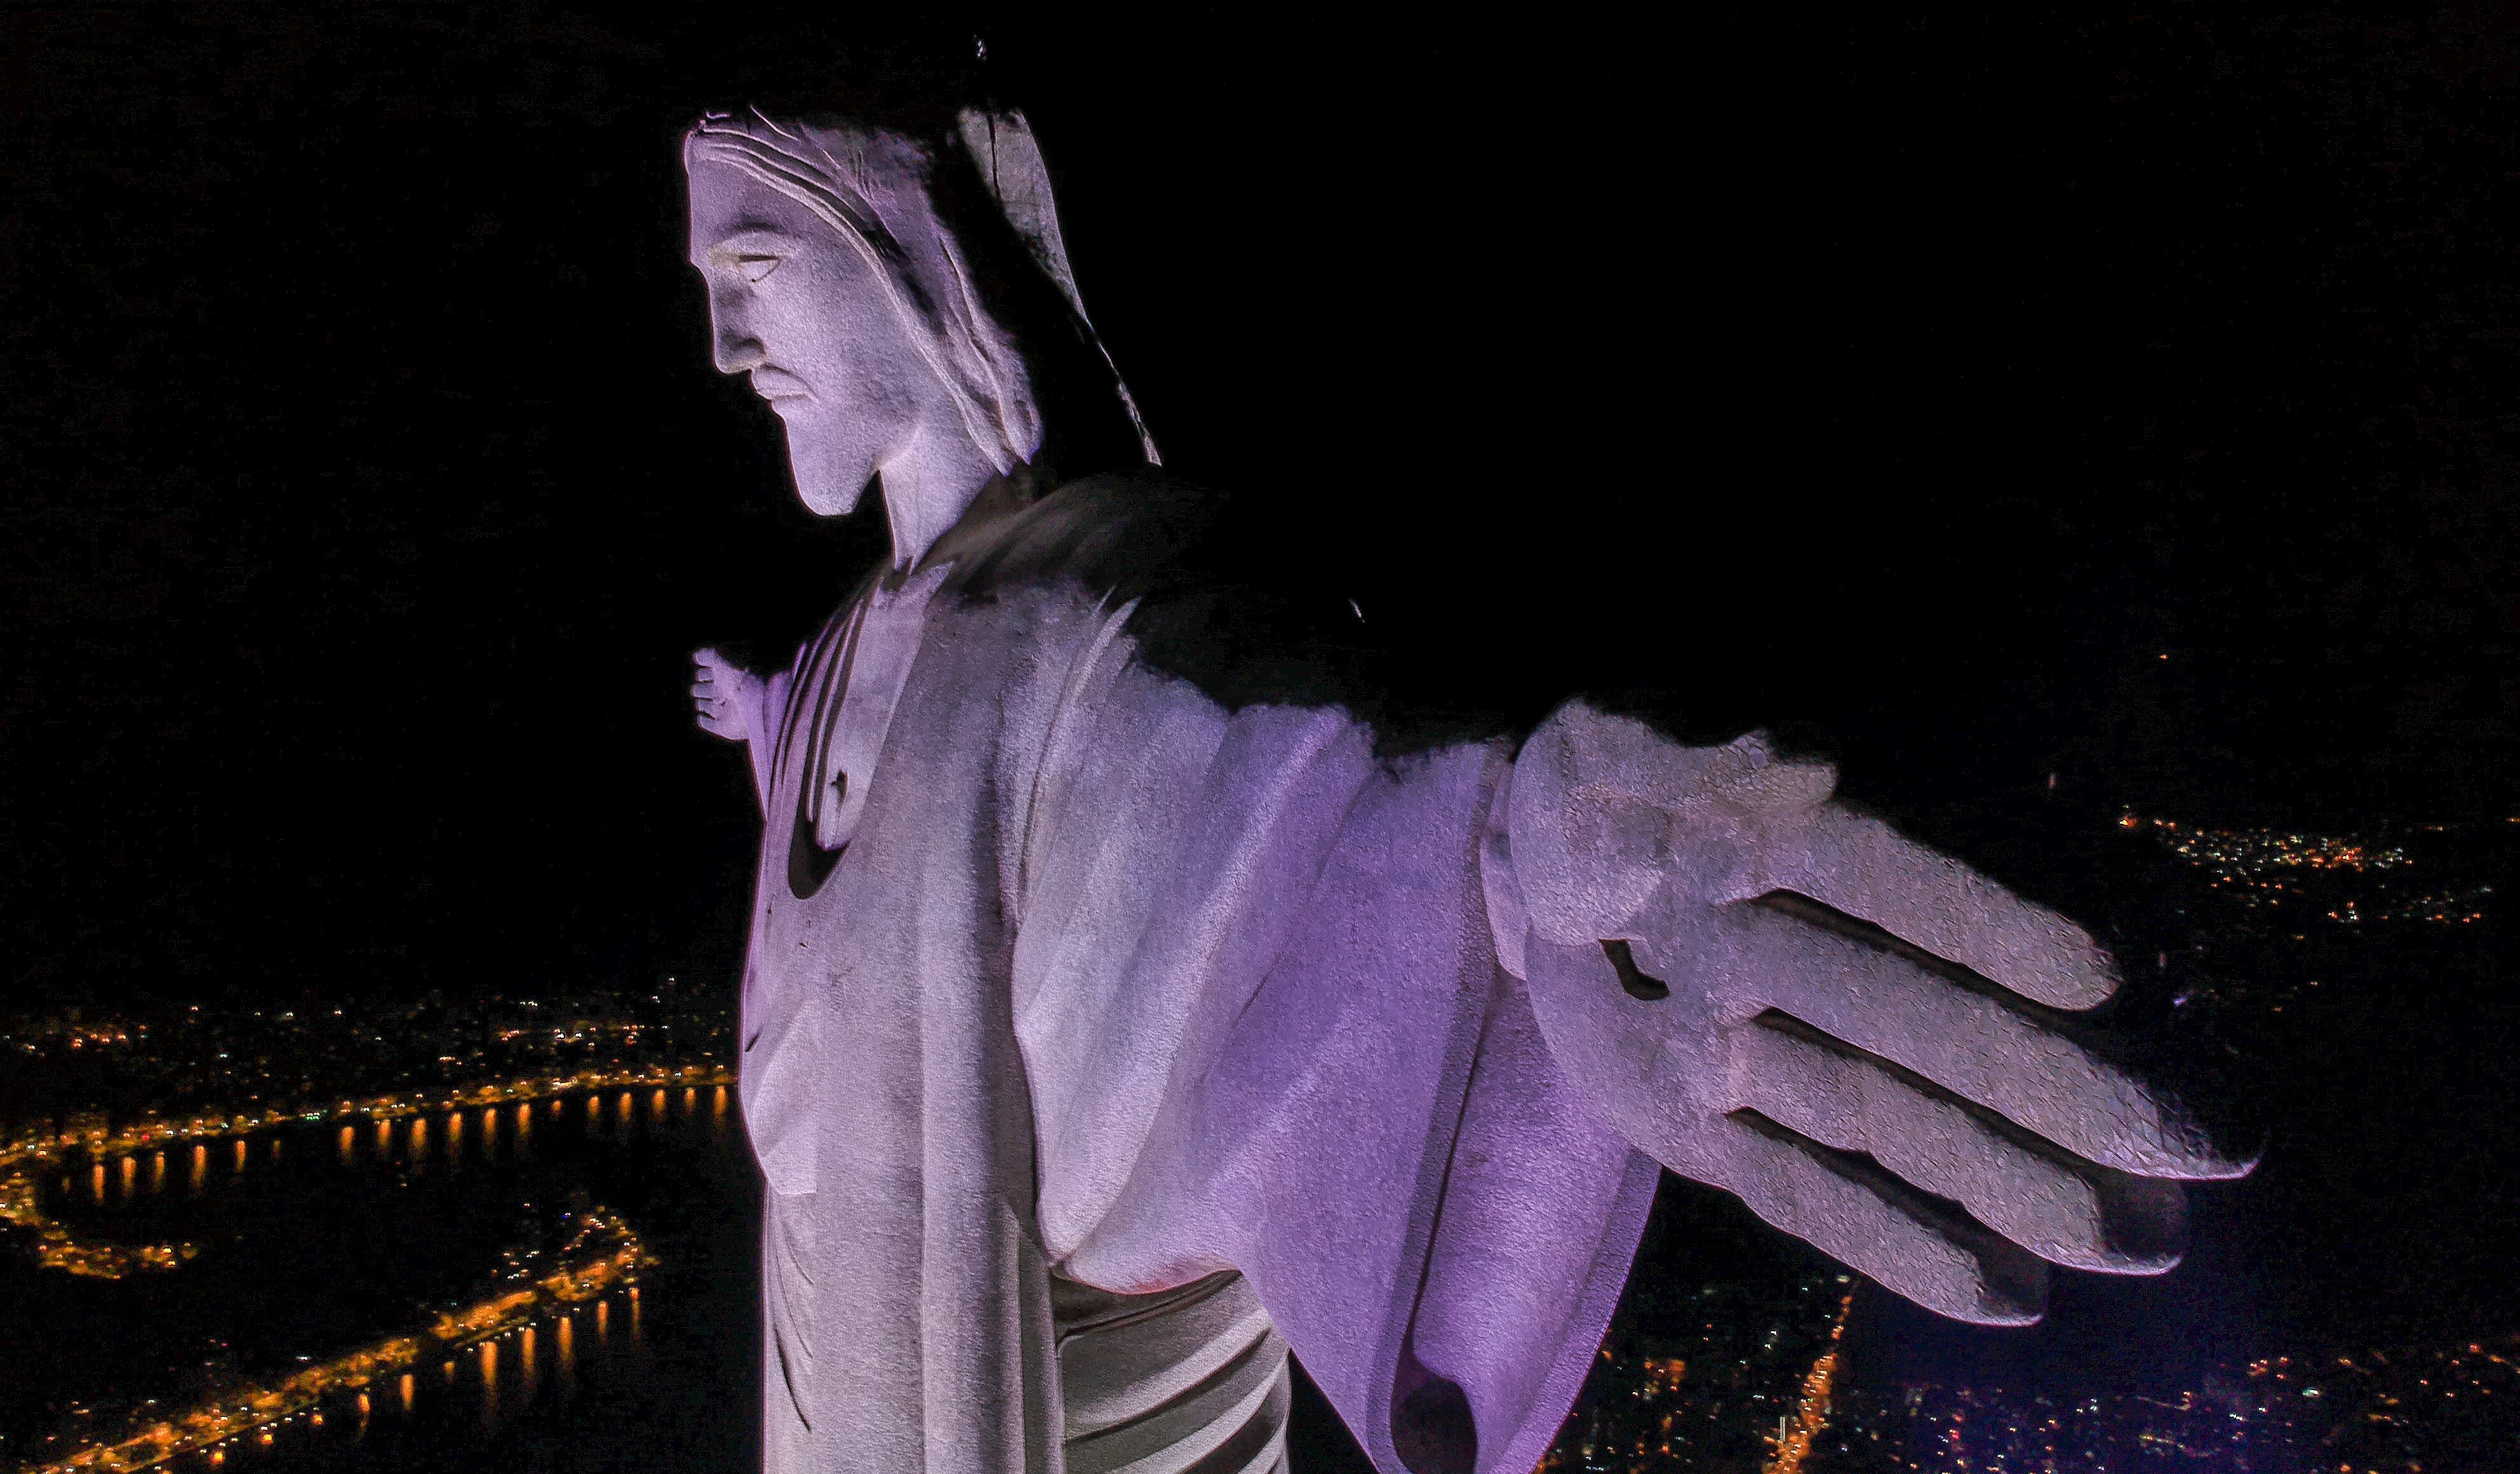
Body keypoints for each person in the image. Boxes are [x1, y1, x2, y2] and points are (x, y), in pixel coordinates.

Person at [681, 105, 2242, 1474]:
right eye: (707, 291)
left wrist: (1501, 866)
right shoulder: (836, 657)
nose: (724, 348)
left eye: (753, 270)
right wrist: (766, 720)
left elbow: (1282, 814)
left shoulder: (1108, 611)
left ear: (905, 248)